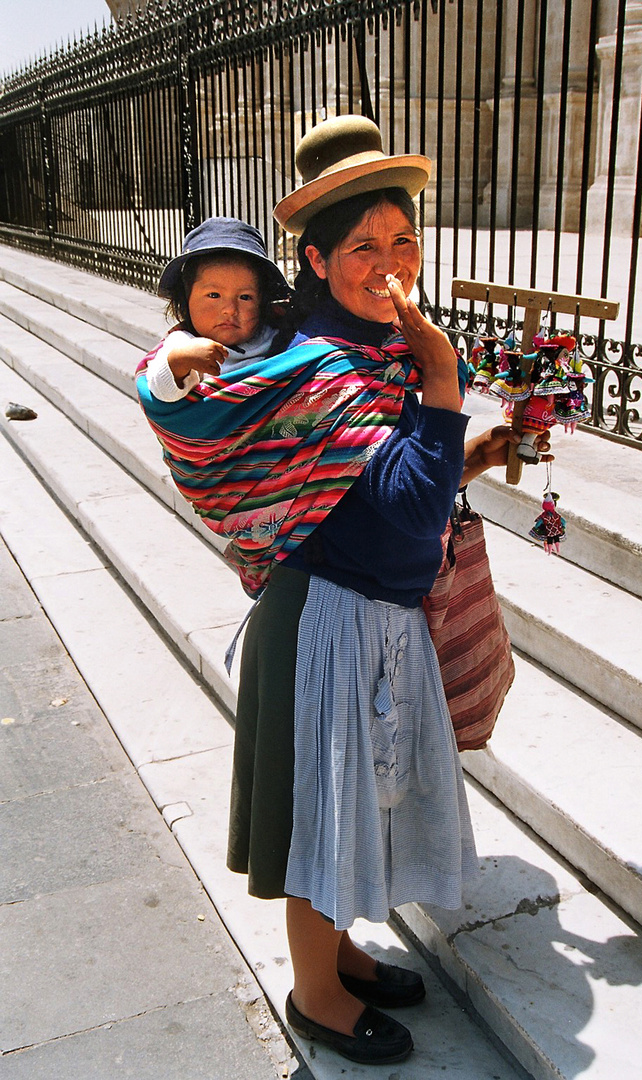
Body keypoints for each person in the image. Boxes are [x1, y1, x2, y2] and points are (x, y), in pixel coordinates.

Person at [226, 116, 542, 1066]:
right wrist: (446, 381)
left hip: (373, 611)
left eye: (403, 238)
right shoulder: (323, 369)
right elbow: (405, 511)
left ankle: (343, 956)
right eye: (363, 245)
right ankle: (315, 993)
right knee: (324, 810)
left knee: (356, 801)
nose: (389, 261)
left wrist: (482, 446)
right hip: (326, 619)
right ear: (317, 261)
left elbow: (409, 483)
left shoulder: (373, 345)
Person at [144, 216, 290, 402]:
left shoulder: (278, 338)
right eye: (214, 295)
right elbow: (161, 392)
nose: (230, 310)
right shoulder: (182, 343)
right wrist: (180, 361)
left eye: (245, 297)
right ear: (186, 299)